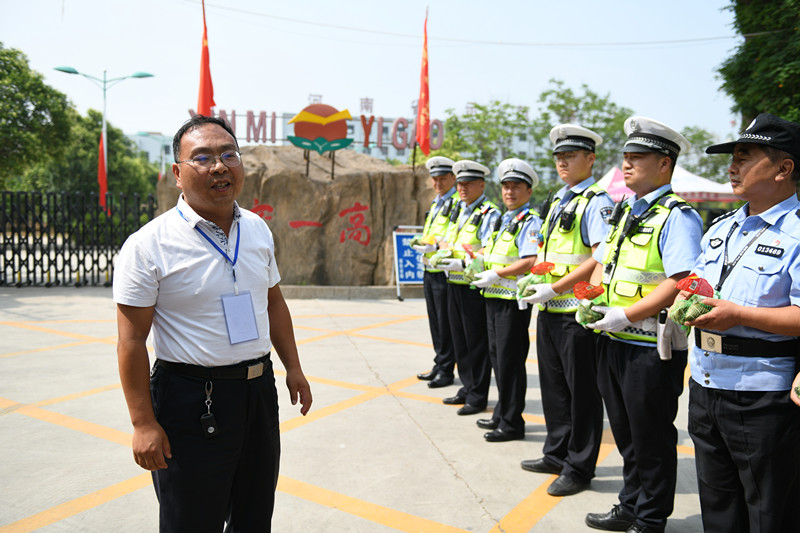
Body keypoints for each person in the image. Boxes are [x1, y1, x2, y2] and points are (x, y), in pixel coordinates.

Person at [113, 115, 312, 532]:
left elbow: (274, 302)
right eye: (202, 158)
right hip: (190, 399)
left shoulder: (256, 228)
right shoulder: (148, 244)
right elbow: (131, 341)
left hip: (258, 392)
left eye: (229, 154)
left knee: (254, 515)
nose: (219, 166)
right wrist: (143, 423)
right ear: (178, 173)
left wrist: (293, 368)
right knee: (192, 521)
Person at [571, 117, 703, 533]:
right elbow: (604, 263)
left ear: (664, 164)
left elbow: (681, 280)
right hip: (613, 338)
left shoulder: (677, 216)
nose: (626, 165)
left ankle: (649, 519)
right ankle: (630, 505)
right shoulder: (625, 210)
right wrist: (590, 302)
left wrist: (628, 313)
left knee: (651, 437)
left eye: (637, 158)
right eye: (625, 157)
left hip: (650, 346)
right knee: (626, 434)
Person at [678, 113, 800, 533]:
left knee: (769, 511)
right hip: (706, 384)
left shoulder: (798, 232)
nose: (732, 167)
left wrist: (739, 314)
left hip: (762, 395)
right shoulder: (723, 226)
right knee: (718, 505)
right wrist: (689, 295)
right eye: (733, 158)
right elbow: (699, 281)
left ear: (784, 168)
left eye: (745, 158)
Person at [519, 124, 613, 496]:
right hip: (549, 309)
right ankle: (557, 452)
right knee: (554, 387)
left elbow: (599, 257)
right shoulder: (558, 199)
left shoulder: (596, 201)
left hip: (575, 310)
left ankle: (579, 466)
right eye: (558, 156)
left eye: (570, 156)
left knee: (582, 393)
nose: (562, 162)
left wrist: (555, 287)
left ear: (590, 159)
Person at [472, 158, 542, 441]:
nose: (510, 192)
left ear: (528, 191)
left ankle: (512, 422)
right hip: (492, 297)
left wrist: (497, 272)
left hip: (513, 302)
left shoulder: (531, 221)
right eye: (506, 187)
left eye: (516, 187)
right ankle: (502, 412)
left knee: (510, 362)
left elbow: (530, 260)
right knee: (497, 359)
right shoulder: (504, 219)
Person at [435, 160, 501, 412]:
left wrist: (463, 259)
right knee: (459, 340)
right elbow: (449, 240)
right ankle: (467, 386)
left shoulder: (489, 212)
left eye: (468, 183)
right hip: (453, 280)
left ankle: (477, 395)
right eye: (460, 183)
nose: (462, 188)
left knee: (475, 343)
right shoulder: (458, 209)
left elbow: (488, 247)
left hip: (473, 286)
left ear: (481, 185)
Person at [413, 156, 459, 389]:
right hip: (430, 266)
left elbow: (453, 235)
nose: (438, 182)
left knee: (445, 321)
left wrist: (437, 244)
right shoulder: (436, 202)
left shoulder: (457, 203)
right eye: (435, 178)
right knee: (435, 320)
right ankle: (439, 362)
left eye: (443, 178)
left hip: (445, 271)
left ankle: (447, 369)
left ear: (453, 178)